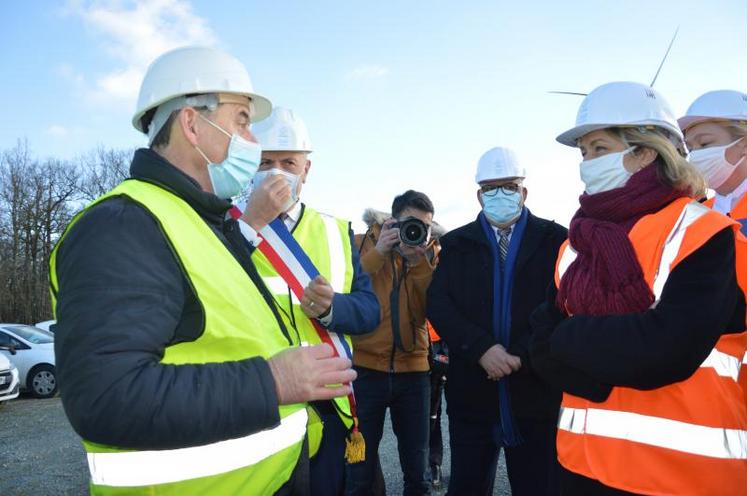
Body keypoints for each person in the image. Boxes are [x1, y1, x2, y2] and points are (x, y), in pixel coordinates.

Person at [49, 46, 356, 495]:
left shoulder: (200, 222)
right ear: (192, 124)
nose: (252, 140)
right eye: (243, 120)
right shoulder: (122, 225)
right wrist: (273, 381)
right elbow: (106, 398)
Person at [529, 81, 747, 495]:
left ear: (645, 153)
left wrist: (570, 337)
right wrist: (594, 353)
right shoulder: (575, 244)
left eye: (600, 149)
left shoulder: (702, 232)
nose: (588, 163)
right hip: (582, 466)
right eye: (584, 152)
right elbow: (539, 345)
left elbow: (664, 350)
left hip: (683, 476)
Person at [247, 107, 380, 495]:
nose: (276, 172)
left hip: (328, 404)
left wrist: (332, 308)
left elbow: (369, 310)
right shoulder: (226, 227)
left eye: (288, 162)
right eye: (265, 162)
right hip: (262, 401)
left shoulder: (336, 231)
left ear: (306, 170)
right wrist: (248, 225)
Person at [427, 147, 567, 495]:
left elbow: (561, 304)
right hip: (472, 391)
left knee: (538, 486)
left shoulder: (555, 239)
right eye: (490, 187)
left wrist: (519, 353)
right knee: (468, 486)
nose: (499, 194)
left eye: (509, 186)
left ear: (524, 192)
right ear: (478, 195)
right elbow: (439, 304)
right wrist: (481, 348)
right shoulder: (456, 244)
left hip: (536, 391)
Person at [346, 190, 441, 496]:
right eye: (410, 224)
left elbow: (430, 308)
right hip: (362, 370)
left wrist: (419, 263)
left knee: (418, 472)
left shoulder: (429, 253)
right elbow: (345, 286)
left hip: (413, 374)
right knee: (357, 470)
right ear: (392, 220)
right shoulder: (361, 241)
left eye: (424, 226)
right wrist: (380, 253)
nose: (416, 232)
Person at [426, 321, 447, 489]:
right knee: (431, 410)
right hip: (423, 339)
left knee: (462, 411)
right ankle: (433, 463)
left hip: (446, 337)